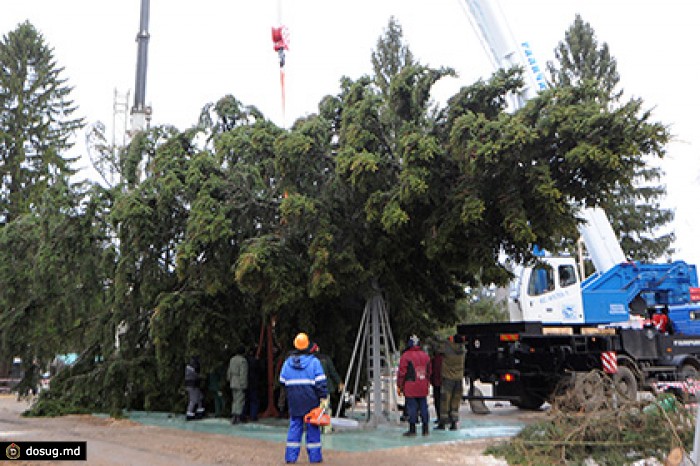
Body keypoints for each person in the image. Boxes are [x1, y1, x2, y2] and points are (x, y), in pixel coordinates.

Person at [279, 332, 328, 464]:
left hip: (294, 399)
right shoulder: (314, 362)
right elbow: (321, 382)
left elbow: (282, 381)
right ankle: (315, 457)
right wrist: (323, 396)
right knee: (312, 427)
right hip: (310, 399)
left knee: (295, 426)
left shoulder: (287, 362)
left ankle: (290, 458)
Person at [397, 334, 431, 437]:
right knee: (424, 406)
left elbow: (402, 373)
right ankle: (425, 429)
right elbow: (429, 371)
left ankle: (412, 430)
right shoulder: (426, 356)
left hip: (410, 386)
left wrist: (399, 386)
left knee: (412, 408)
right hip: (423, 385)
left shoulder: (406, 356)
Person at [436, 335, 466, 431]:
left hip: (448, 379)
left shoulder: (448, 349)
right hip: (459, 379)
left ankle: (443, 423)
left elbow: (438, 346)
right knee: (455, 402)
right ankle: (454, 423)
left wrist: (445, 339)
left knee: (445, 401)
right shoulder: (462, 350)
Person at [310, 343, 344, 416]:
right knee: (326, 408)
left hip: (311, 388)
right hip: (325, 387)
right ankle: (326, 425)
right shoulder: (325, 359)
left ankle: (314, 425)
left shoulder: (307, 361)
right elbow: (332, 372)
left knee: (313, 409)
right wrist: (339, 383)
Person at [227, 346, 248, 425]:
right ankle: (237, 416)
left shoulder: (232, 359)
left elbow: (229, 371)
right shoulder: (243, 361)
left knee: (235, 399)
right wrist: (244, 384)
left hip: (233, 381)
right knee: (240, 400)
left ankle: (233, 414)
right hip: (239, 382)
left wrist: (229, 379)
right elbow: (243, 373)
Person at [242, 348, 262, 422]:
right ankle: (253, 415)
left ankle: (243, 415)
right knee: (254, 399)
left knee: (245, 399)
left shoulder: (245, 361)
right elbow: (260, 370)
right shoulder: (255, 361)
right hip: (254, 382)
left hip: (246, 382)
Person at [184, 356, 205, 421]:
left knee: (200, 397)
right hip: (192, 386)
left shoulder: (189, 369)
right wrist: (201, 376)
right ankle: (189, 414)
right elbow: (196, 376)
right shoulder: (191, 370)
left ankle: (199, 411)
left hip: (193, 386)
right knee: (193, 400)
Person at [429, 343, 444, 424]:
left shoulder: (434, 359)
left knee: (438, 401)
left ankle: (440, 417)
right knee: (444, 401)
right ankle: (445, 418)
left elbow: (431, 371)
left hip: (436, 383)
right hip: (444, 383)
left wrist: (431, 380)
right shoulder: (445, 359)